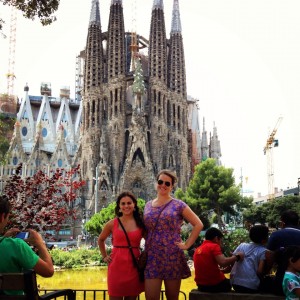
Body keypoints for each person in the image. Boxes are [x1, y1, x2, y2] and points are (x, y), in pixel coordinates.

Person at [143, 169, 203, 300]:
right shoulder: (148, 205)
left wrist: (187, 245)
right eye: (160, 181)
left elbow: (198, 224)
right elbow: (145, 229)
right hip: (152, 255)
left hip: (172, 255)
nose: (163, 185)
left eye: (167, 183)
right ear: (156, 183)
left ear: (172, 187)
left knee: (172, 297)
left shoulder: (178, 204)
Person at [0, 194, 54, 295]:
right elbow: (48, 271)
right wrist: (40, 243)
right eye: (7, 217)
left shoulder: (7, 243)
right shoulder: (16, 246)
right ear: (2, 217)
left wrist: (4, 238)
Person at [98, 191, 145, 300]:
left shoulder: (140, 224)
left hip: (134, 265)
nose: (126, 206)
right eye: (123, 204)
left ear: (134, 205)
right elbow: (101, 240)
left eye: (129, 203)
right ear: (119, 206)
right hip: (116, 266)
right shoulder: (112, 223)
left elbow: (151, 241)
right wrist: (104, 256)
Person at [194, 227, 244, 293]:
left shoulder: (198, 249)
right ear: (216, 238)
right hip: (215, 285)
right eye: (221, 240)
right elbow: (223, 262)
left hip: (201, 285)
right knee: (233, 283)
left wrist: (222, 271)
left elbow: (206, 268)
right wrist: (237, 257)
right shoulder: (214, 246)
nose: (221, 242)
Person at [264, 210, 300, 295]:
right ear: (298, 222)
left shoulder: (276, 235)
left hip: (282, 277)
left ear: (282, 223)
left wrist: (266, 271)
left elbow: (269, 257)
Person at [230, 225, 269, 293]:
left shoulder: (242, 245)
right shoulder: (263, 251)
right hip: (252, 286)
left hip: (236, 283)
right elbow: (259, 271)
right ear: (264, 239)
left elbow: (233, 261)